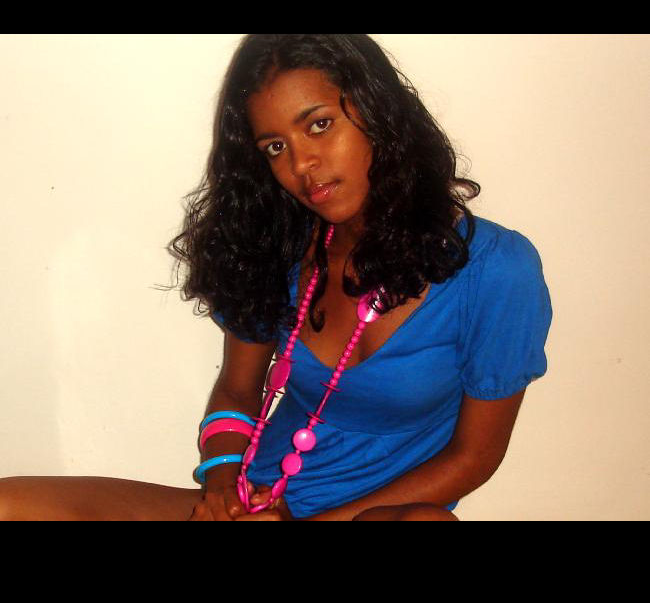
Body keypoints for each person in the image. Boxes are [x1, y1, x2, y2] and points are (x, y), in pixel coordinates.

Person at [0, 34, 552, 521]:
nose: (301, 164)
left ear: (378, 111)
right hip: (258, 502)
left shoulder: (494, 269)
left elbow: (473, 458)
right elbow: (237, 389)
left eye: (319, 124)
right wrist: (223, 493)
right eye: (275, 147)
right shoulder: (280, 248)